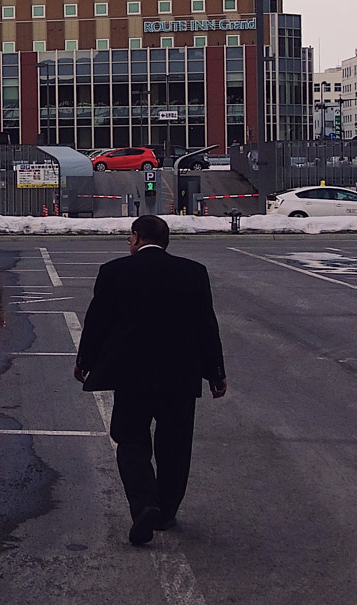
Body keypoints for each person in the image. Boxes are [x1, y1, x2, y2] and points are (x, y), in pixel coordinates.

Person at [72, 213, 227, 546]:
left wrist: (85, 361)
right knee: (175, 447)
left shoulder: (114, 272)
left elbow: (98, 321)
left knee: (131, 442)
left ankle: (145, 504)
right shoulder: (193, 273)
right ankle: (167, 511)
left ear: (137, 237)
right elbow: (206, 327)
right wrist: (216, 374)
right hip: (180, 379)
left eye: (130, 238)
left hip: (132, 378)